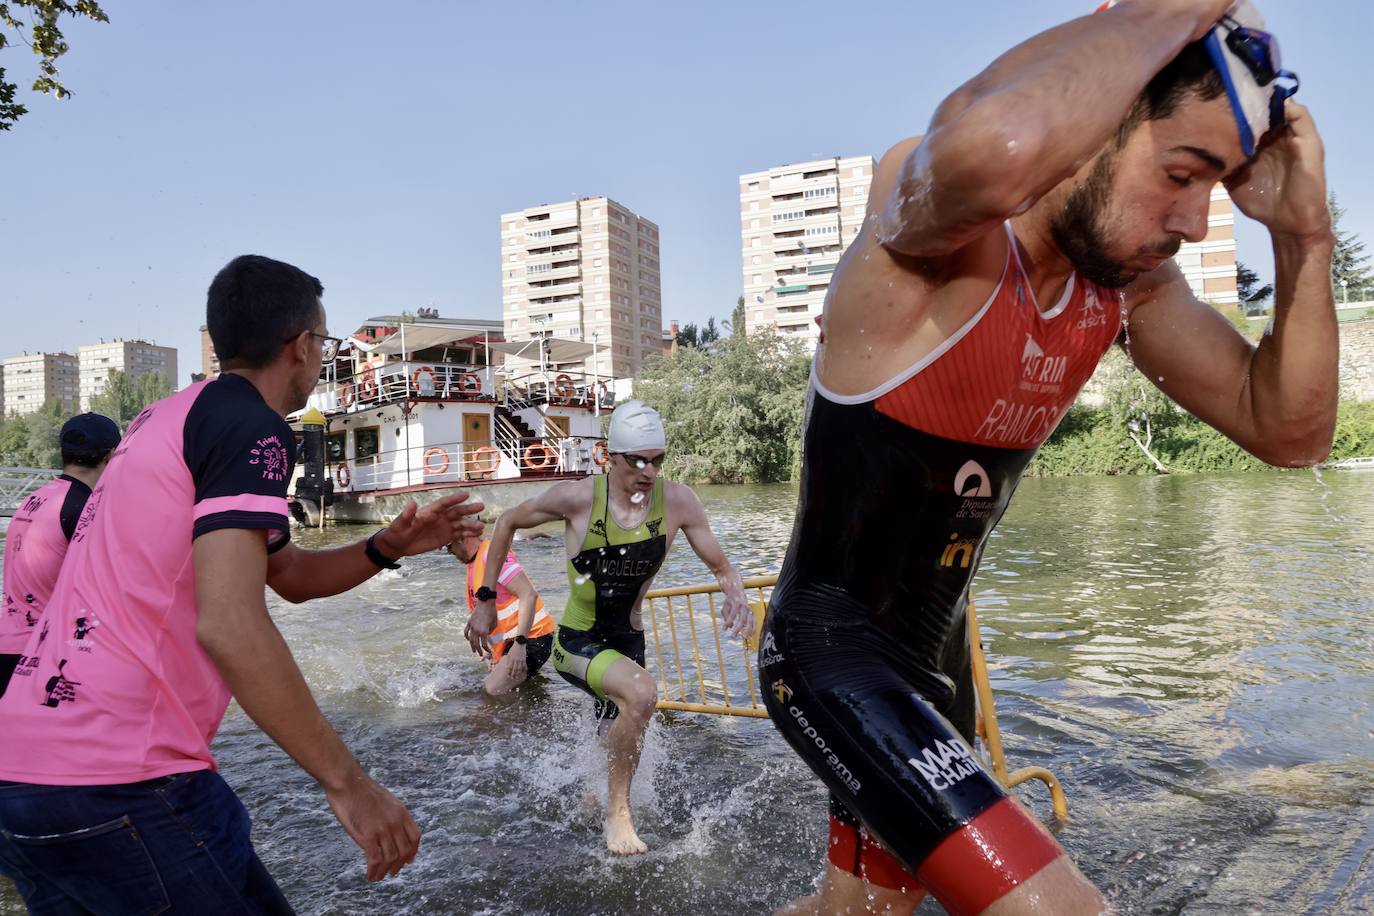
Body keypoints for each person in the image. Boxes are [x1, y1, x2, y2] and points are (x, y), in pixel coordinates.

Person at [759, 2, 1335, 914]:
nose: (1192, 219)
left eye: (1215, 186)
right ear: (1095, 125)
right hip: (831, 660)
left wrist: (1305, 240)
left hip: (932, 679)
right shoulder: (934, 236)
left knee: (861, 914)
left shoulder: (1128, 291)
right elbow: (993, 146)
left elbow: (1291, 432)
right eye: (1182, 173)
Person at [0, 255, 485, 913]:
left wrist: (386, 546)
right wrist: (348, 783)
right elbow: (229, 623)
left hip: (25, 776)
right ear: (304, 346)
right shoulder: (250, 427)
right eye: (324, 342)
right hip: (125, 781)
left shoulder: (164, 419)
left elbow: (288, 576)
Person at [467, 400, 753, 855]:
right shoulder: (578, 498)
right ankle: (618, 815)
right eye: (637, 461)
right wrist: (485, 599)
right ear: (609, 456)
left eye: (657, 460)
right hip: (577, 641)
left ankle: (594, 796)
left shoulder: (678, 501)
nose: (649, 472)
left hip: (628, 643)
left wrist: (735, 593)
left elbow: (720, 565)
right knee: (642, 694)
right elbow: (505, 522)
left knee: (621, 726)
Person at [0, 413, 120, 696]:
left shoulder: (35, 499)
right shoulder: (85, 508)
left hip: (7, 645)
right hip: (44, 656)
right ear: (111, 456)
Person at [448, 529, 556, 695]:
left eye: (449, 544)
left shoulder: (491, 555)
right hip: (510, 643)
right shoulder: (474, 564)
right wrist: (490, 650)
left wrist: (520, 646)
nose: (447, 551)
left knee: (492, 690)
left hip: (534, 637)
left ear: (462, 536)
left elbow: (529, 594)